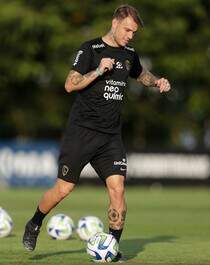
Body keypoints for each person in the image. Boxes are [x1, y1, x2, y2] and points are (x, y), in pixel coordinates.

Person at [22, 4, 171, 262]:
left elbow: (141, 74)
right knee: (63, 189)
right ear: (114, 22)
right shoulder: (90, 49)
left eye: (134, 32)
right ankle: (34, 223)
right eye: (127, 30)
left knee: (118, 189)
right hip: (82, 131)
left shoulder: (129, 54)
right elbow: (70, 85)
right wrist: (98, 70)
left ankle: (111, 247)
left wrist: (156, 81)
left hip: (110, 136)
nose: (130, 36)